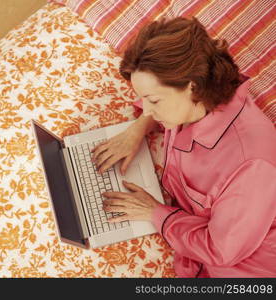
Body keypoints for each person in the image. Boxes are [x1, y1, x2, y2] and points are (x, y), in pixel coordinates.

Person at [91, 17, 276, 278]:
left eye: (153, 100)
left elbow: (220, 250)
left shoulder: (250, 164)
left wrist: (154, 212)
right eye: (143, 99)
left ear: (193, 86)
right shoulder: (192, 102)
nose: (147, 109)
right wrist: (137, 130)